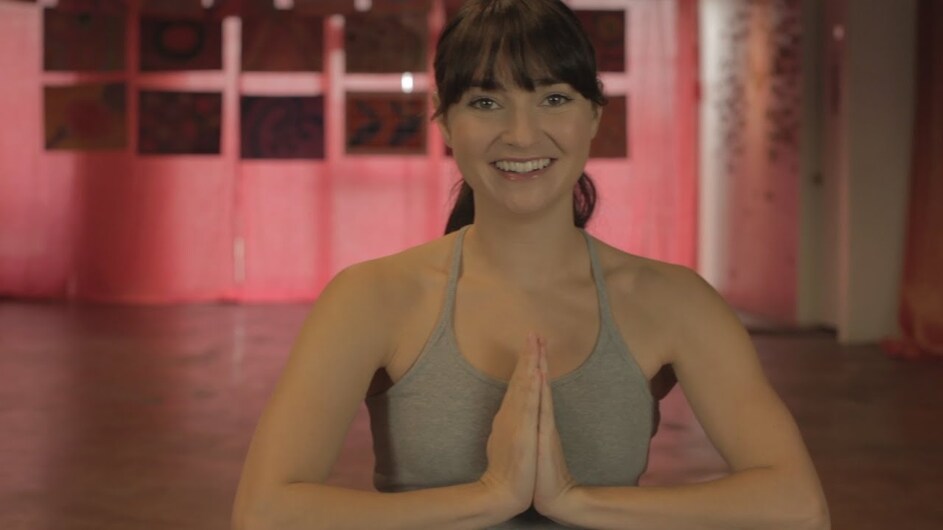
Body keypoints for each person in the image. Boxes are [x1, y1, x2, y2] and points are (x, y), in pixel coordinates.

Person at [232, 0, 830, 528]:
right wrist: (490, 497)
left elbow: (798, 506)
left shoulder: (674, 300)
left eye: (554, 98)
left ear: (594, 115)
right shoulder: (371, 297)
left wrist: (575, 502)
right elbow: (264, 513)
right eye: (486, 102)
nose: (521, 134)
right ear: (444, 120)